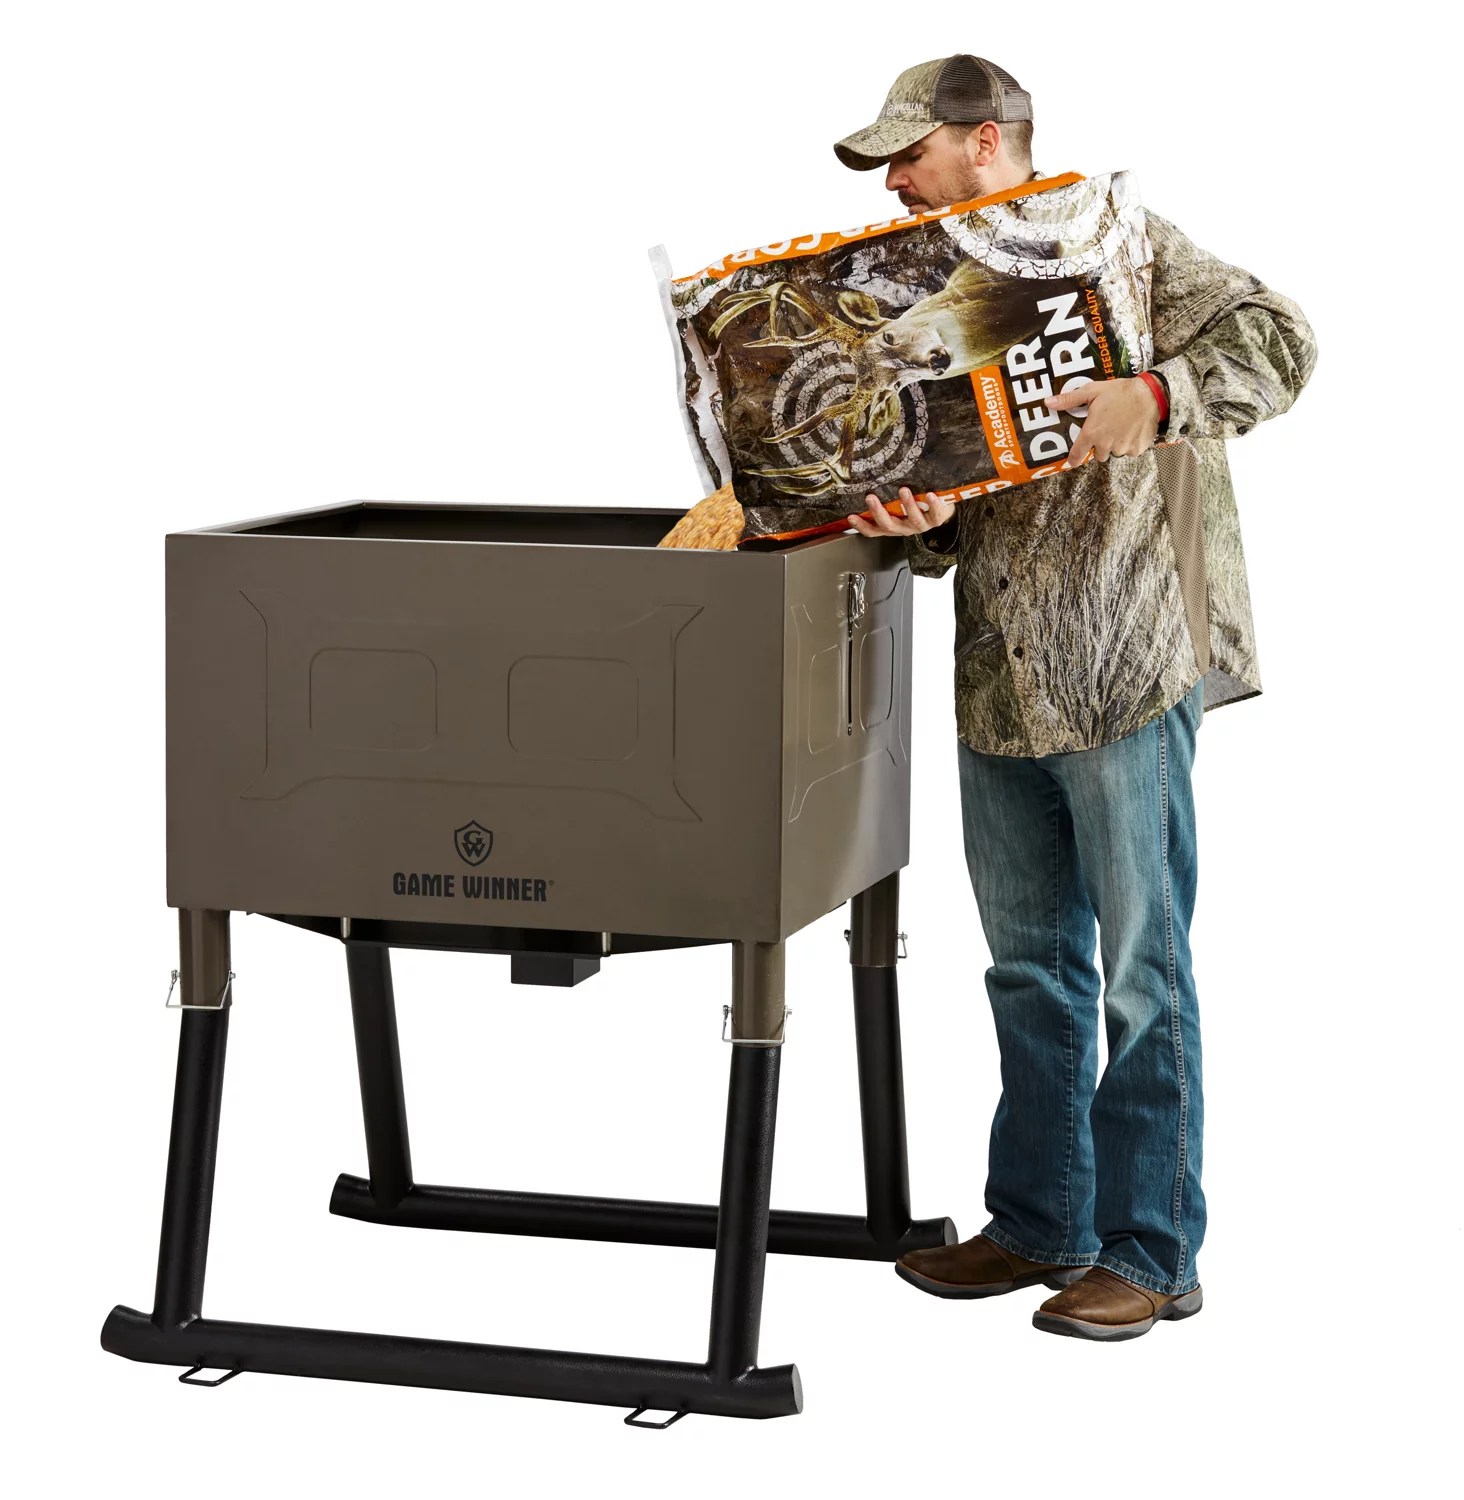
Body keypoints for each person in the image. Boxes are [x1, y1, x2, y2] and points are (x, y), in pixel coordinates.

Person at [834, 55, 1316, 1340]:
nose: (894, 181)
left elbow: (1282, 340)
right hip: (999, 675)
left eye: (910, 153)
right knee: (1029, 969)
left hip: (1126, 658)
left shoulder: (1124, 243)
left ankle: (1153, 1253)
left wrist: (1152, 395)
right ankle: (1042, 1224)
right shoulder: (930, 296)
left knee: (1141, 971)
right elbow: (954, 498)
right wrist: (921, 522)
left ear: (987, 142)